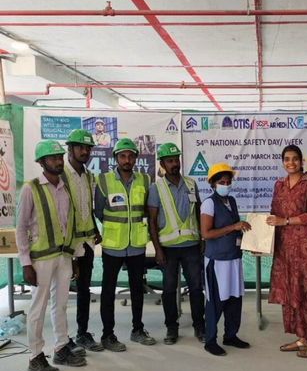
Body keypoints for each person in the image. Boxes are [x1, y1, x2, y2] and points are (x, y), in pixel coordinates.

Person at [16, 140, 86, 371]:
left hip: (64, 256)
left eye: (59, 157)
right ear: (41, 162)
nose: (58, 161)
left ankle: (61, 347)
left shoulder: (65, 188)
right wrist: (26, 263)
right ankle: (35, 357)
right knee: (39, 306)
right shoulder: (31, 188)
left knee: (61, 304)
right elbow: (20, 228)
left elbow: (70, 224)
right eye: (52, 158)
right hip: (41, 259)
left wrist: (74, 257)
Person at [266, 145, 307, 358]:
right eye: (286, 159)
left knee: (305, 290)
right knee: (290, 290)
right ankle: (303, 338)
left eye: (294, 159)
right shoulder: (279, 184)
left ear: (301, 161)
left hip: (303, 246)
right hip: (283, 246)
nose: (290, 163)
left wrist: (286, 221)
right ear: (282, 162)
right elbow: (273, 212)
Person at [95, 138, 155, 351]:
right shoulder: (104, 181)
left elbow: (147, 209)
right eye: (123, 156)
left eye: (130, 156)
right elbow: (99, 211)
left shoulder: (145, 180)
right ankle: (107, 335)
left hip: (137, 244)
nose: (127, 160)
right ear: (116, 158)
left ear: (136, 159)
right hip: (113, 245)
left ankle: (138, 329)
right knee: (108, 291)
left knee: (137, 290)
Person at [148, 143, 205, 345]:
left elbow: (198, 213)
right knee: (169, 290)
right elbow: (152, 221)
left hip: (191, 246)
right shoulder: (156, 188)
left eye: (176, 160)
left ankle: (200, 326)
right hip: (168, 249)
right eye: (170, 161)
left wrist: (202, 238)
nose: (175, 164)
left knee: (196, 288)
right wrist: (157, 249)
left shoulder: (191, 184)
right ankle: (171, 328)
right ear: (162, 164)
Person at [200, 163, 251, 356]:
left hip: (233, 257)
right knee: (215, 302)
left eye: (228, 182)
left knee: (234, 299)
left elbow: (236, 227)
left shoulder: (231, 201)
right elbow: (206, 233)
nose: (226, 185)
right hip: (217, 261)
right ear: (212, 184)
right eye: (221, 182)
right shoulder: (209, 203)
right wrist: (234, 227)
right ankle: (210, 340)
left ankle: (230, 335)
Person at [62, 129, 104, 352]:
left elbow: (87, 207)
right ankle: (62, 339)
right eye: (80, 147)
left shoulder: (88, 176)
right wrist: (71, 255)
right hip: (66, 245)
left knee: (84, 290)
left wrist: (95, 229)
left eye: (88, 148)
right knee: (60, 293)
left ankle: (82, 333)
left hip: (86, 242)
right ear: (70, 149)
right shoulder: (60, 175)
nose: (85, 151)